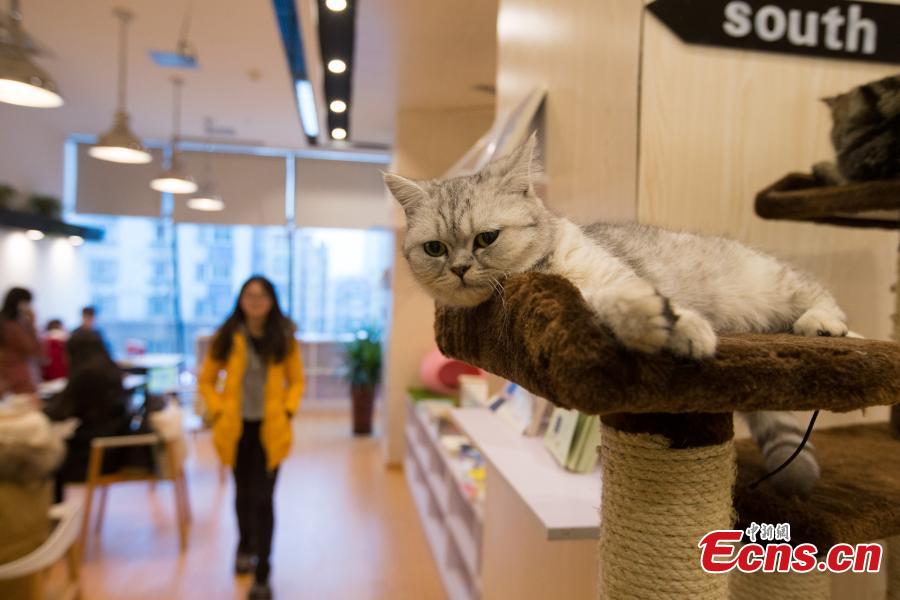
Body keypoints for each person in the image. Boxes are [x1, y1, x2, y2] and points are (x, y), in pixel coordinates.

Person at [198, 276, 304, 600]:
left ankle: (263, 573)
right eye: (249, 295)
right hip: (236, 431)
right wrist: (217, 410)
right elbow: (206, 380)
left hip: (270, 432)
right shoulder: (227, 336)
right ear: (240, 300)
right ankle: (244, 545)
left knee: (263, 500)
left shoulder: (284, 337)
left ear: (272, 301)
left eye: (262, 296)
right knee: (243, 495)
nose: (255, 301)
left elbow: (296, 382)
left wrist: (287, 410)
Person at [45, 333, 134, 502]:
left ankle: (53, 521)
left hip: (94, 453)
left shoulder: (86, 375)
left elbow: (61, 410)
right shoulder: (111, 370)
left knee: (44, 459)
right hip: (112, 448)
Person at [0, 288, 42, 395]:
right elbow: (32, 349)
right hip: (17, 375)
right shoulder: (13, 326)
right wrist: (32, 323)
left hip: (9, 375)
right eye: (27, 303)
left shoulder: (6, 321)